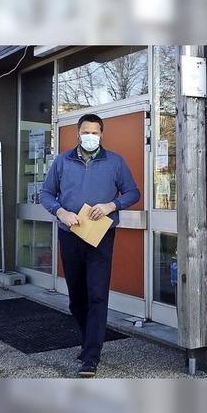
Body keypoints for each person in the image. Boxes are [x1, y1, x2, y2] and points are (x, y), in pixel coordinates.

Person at [40, 113, 140, 378]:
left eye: (95, 132)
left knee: (97, 294)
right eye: (86, 131)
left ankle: (91, 356)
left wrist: (111, 205)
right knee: (76, 298)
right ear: (78, 133)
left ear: (101, 135)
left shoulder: (115, 162)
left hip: (100, 236)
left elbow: (132, 192)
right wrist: (60, 212)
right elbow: (46, 194)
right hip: (70, 233)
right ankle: (89, 343)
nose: (90, 136)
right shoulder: (62, 161)